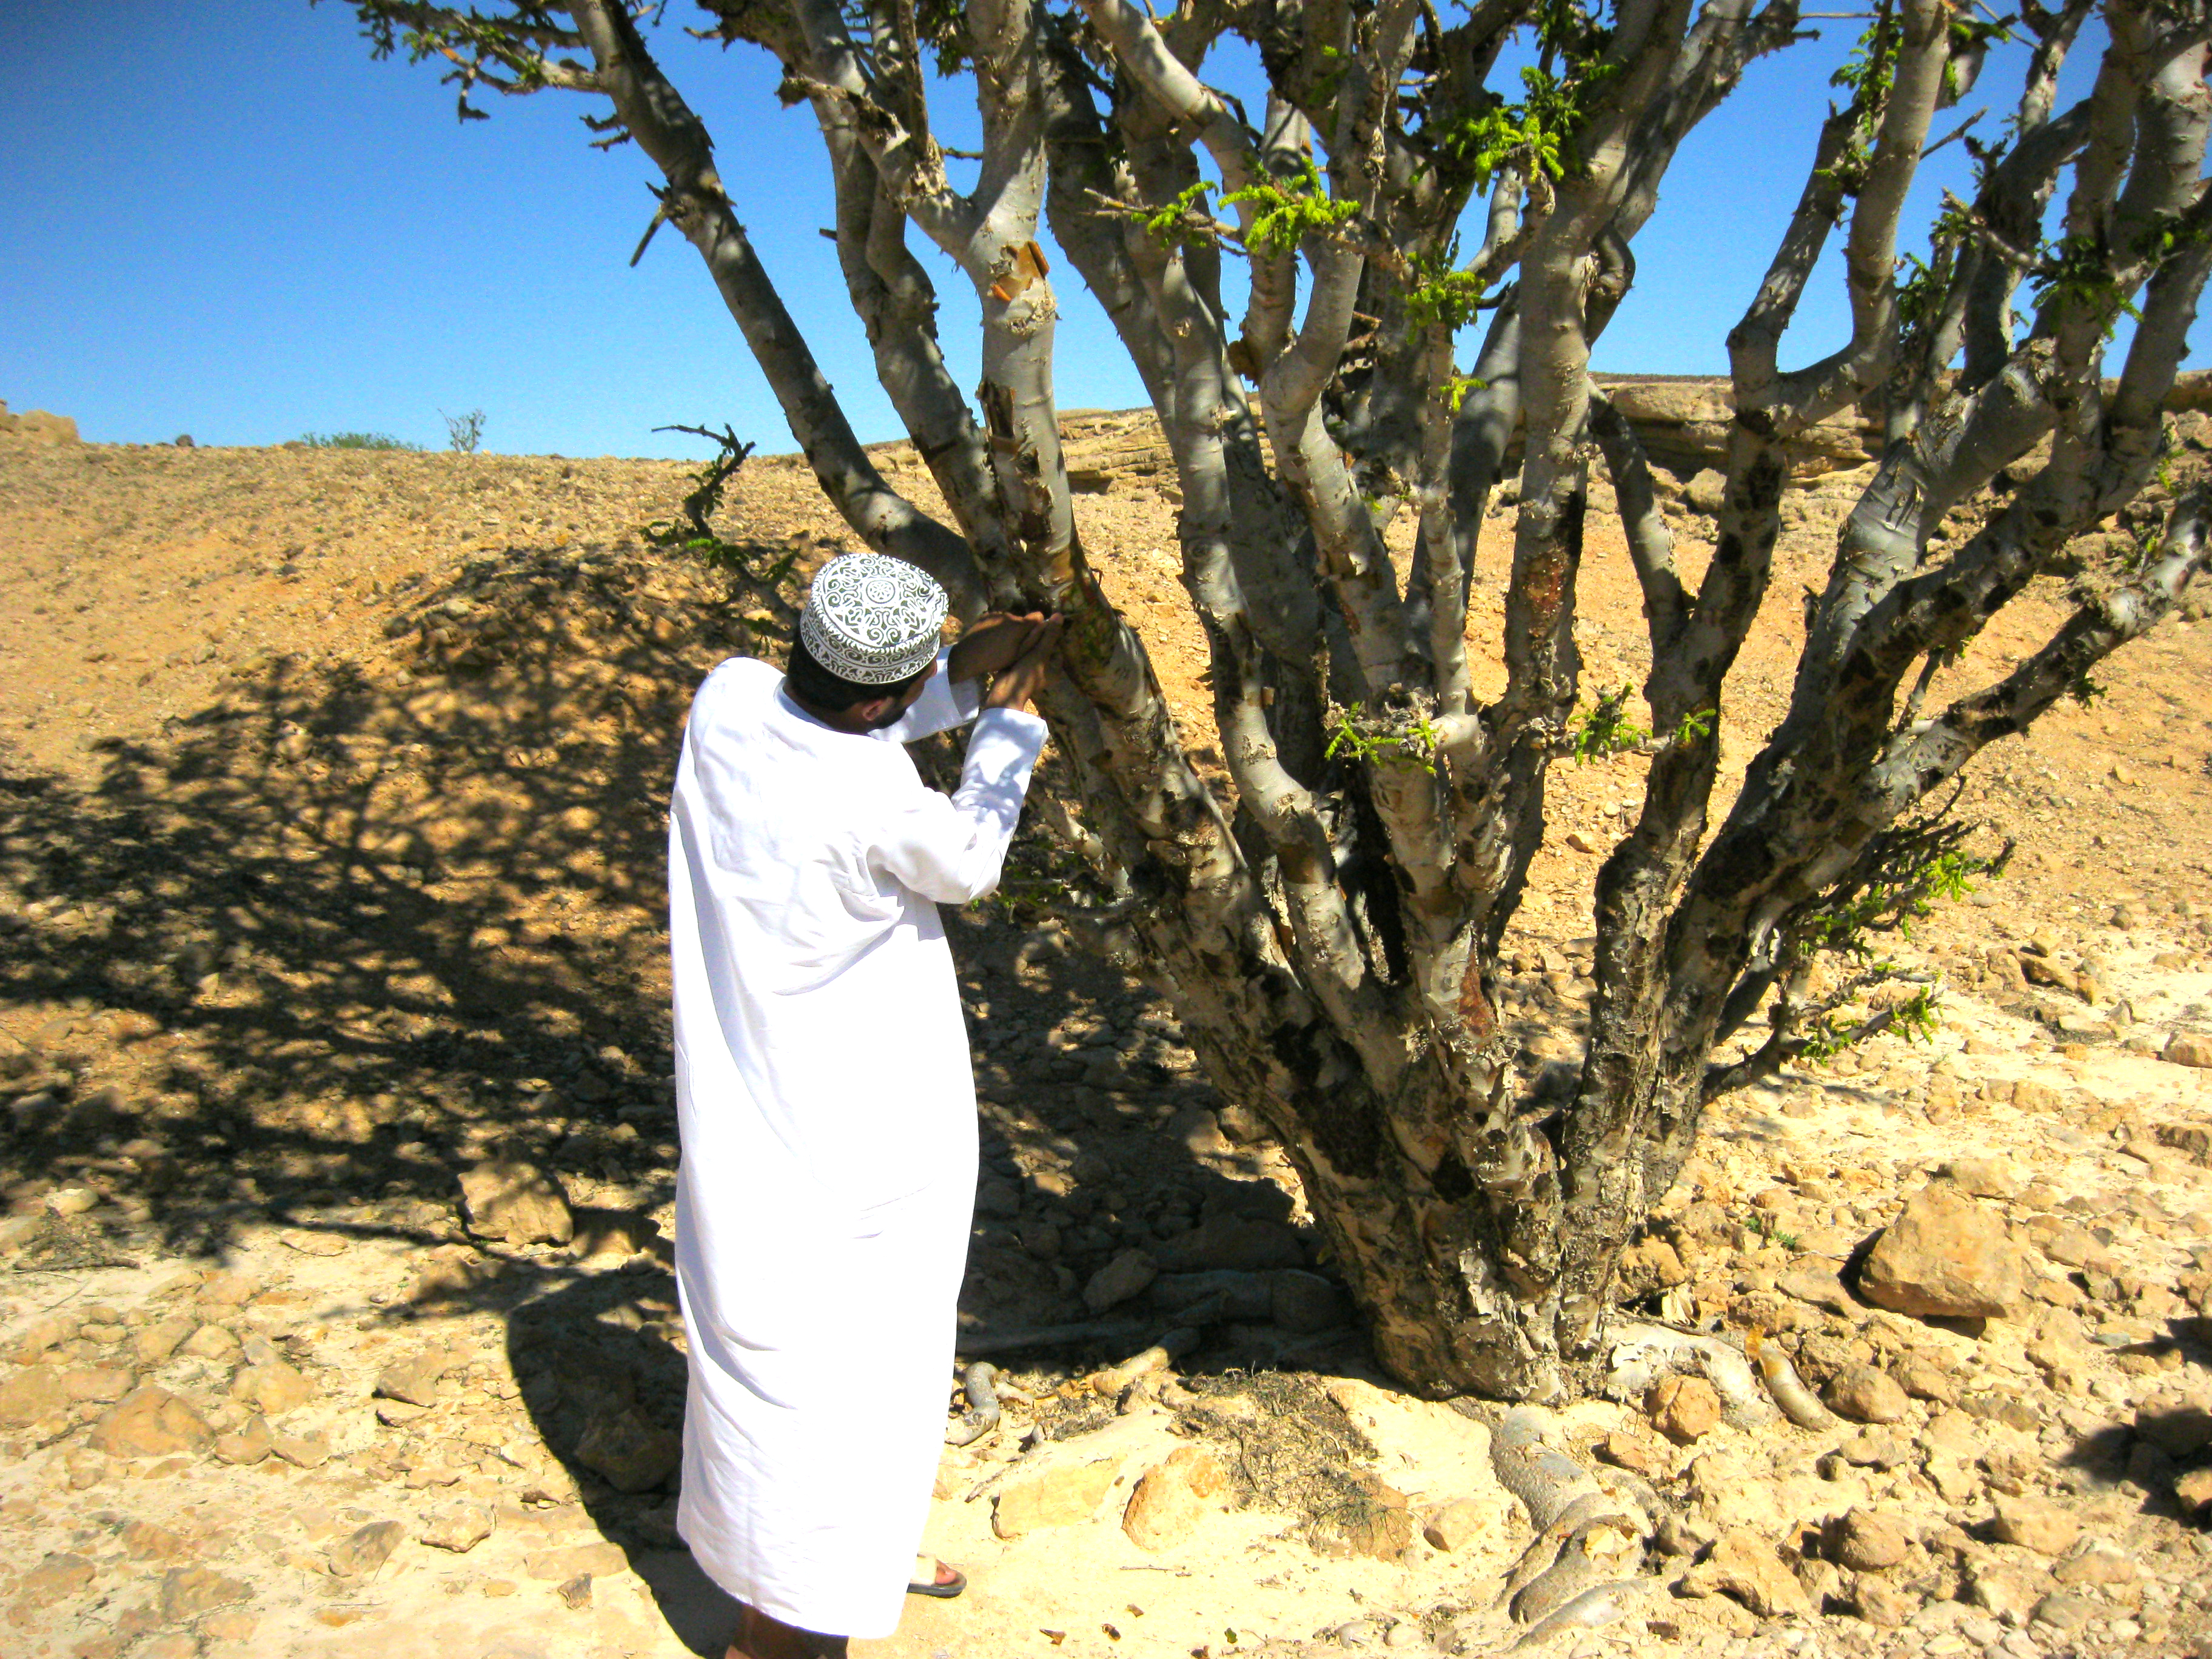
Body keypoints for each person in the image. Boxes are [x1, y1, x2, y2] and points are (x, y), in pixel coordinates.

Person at [665, 550, 1062, 1659]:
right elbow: (971, 858)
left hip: (750, 1100)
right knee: (846, 1362)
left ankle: (860, 1545)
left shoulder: (730, 695)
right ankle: (780, 1631)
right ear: (885, 691)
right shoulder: (879, 797)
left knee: (772, 1346)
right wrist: (1008, 720)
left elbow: (845, 720)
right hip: (866, 1132)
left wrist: (950, 678)